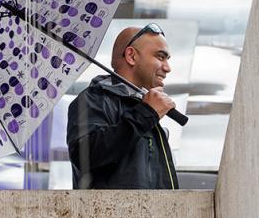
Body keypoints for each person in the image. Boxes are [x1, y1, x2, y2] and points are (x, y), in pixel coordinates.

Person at [66, 24, 179, 189]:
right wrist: (146, 113)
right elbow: (85, 155)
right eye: (160, 57)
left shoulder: (144, 107)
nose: (167, 68)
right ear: (131, 56)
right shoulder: (93, 100)